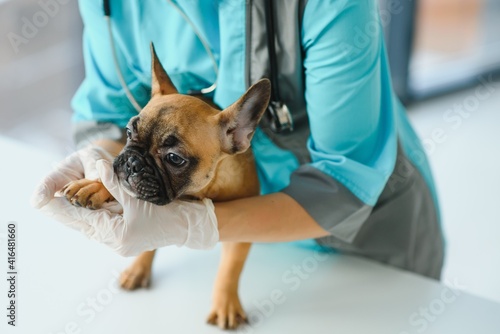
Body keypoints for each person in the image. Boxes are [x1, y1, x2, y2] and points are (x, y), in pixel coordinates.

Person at [31, 0, 445, 279]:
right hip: (237, 254)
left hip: (359, 237)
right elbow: (107, 113)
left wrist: (194, 225)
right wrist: (101, 160)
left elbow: (346, 179)